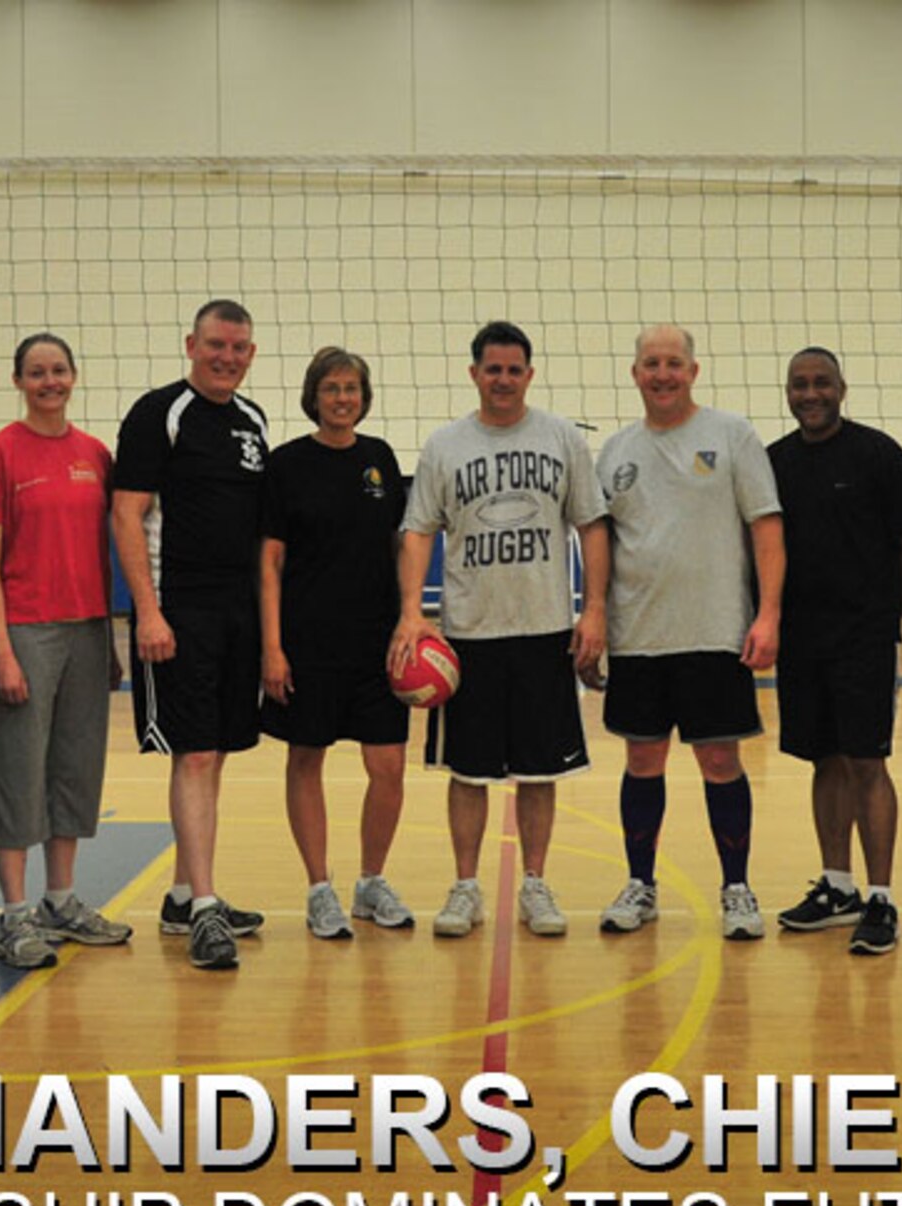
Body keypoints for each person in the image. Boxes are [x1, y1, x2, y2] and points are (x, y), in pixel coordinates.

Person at [389, 321, 609, 939]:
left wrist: (593, 610)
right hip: (468, 635)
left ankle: (535, 883)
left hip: (544, 629)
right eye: (493, 369)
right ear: (474, 374)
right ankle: (466, 887)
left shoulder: (562, 438)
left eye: (515, 370)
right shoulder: (444, 446)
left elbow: (592, 525)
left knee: (541, 771)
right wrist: (412, 610)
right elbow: (417, 530)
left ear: (529, 375)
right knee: (469, 771)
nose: (504, 380)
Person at [591, 325, 783, 941]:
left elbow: (767, 528)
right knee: (642, 758)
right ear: (635, 373)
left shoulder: (731, 435)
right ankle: (640, 885)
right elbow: (599, 542)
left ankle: (737, 888)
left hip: (714, 633)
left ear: (694, 371)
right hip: (639, 635)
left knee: (720, 759)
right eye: (651, 363)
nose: (663, 373)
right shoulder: (616, 451)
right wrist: (592, 613)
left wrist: (768, 614)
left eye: (674, 363)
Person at [113, 299, 272, 972]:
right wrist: (148, 611)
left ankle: (184, 894)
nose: (226, 357)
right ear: (191, 343)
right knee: (196, 755)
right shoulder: (159, 414)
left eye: (238, 348)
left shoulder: (252, 421)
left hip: (239, 613)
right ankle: (205, 905)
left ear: (250, 354)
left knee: (218, 752)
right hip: (179, 611)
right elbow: (127, 515)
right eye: (215, 345)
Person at [0, 333, 134, 970]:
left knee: (74, 770)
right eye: (36, 373)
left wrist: (111, 638)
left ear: (73, 376)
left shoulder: (95, 453)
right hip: (27, 632)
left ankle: (59, 901)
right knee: (18, 772)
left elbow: (104, 551)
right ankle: (14, 917)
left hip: (88, 631)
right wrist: (1, 648)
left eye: (58, 370)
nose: (49, 382)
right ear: (19, 382)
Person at [768, 347, 902, 956]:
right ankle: (838, 888)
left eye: (821, 383)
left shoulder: (878, 455)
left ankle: (881, 896)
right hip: (801, 638)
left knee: (867, 762)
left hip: (862, 636)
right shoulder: (775, 462)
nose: (810, 394)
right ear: (788, 392)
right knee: (824, 760)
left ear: (842, 388)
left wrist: (888, 610)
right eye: (799, 385)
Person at [261, 348, 413, 940]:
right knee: (306, 758)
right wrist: (272, 647)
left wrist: (411, 617)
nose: (342, 398)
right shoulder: (287, 465)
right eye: (331, 388)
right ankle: (319, 888)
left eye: (351, 388)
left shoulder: (379, 458)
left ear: (364, 396)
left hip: (378, 643)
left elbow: (402, 547)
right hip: (308, 640)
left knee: (389, 764)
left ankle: (371, 882)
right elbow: (269, 562)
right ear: (313, 396)